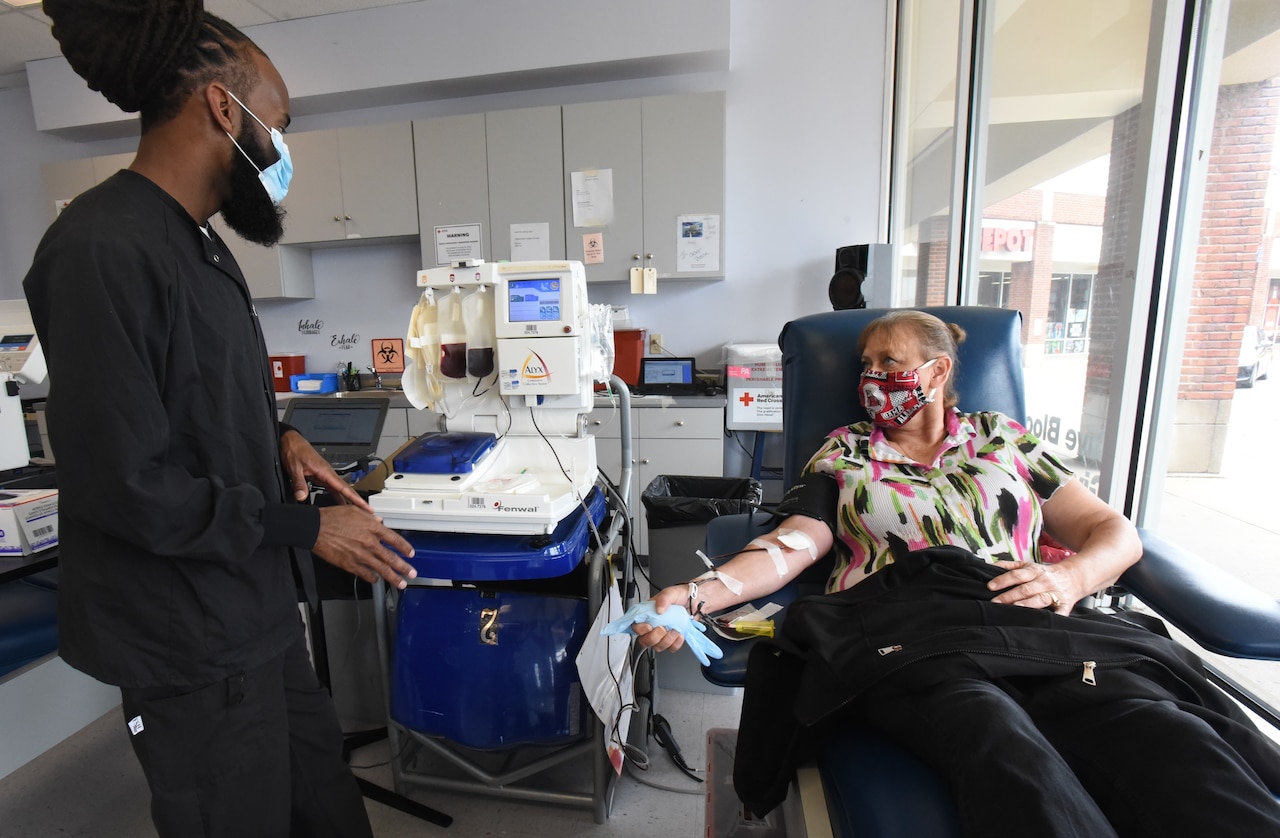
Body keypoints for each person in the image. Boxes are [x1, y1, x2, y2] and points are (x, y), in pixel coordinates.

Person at [635, 310, 1280, 836]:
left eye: (890, 362)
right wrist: (696, 593)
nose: (872, 376)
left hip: (1038, 628)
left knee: (1168, 736)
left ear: (937, 371)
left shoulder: (1005, 440)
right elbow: (794, 542)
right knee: (999, 742)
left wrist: (1069, 580)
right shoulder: (847, 450)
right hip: (912, 634)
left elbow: (1114, 534)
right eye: (866, 366)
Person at [23, 3, 417, 836]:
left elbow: (196, 405)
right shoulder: (102, 250)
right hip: (187, 640)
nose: (281, 153)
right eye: (278, 125)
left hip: (255, 614)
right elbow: (124, 484)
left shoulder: (201, 246)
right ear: (221, 107)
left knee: (326, 809)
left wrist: (282, 440)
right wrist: (303, 531)